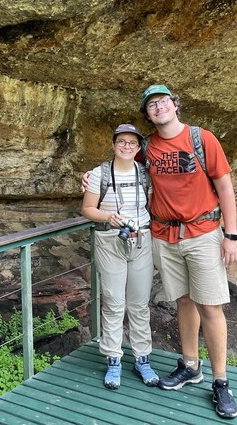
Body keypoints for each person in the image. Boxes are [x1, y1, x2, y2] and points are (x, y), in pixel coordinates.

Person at [82, 85, 237, 419]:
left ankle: (221, 381)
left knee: (210, 306)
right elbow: (120, 162)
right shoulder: (147, 148)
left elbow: (225, 185)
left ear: (175, 104)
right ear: (148, 113)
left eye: (163, 101)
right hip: (164, 235)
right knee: (183, 301)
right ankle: (191, 365)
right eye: (151, 105)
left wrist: (232, 235)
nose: (158, 107)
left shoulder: (202, 138)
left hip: (203, 232)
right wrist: (89, 178)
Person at [81, 123, 159, 390]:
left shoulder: (145, 174)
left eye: (133, 143)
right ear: (114, 144)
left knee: (139, 304)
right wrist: (109, 217)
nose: (127, 146)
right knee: (114, 303)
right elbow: (88, 209)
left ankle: (142, 358)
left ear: (139, 148)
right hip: (110, 240)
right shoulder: (98, 174)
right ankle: (113, 359)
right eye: (122, 141)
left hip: (141, 240)